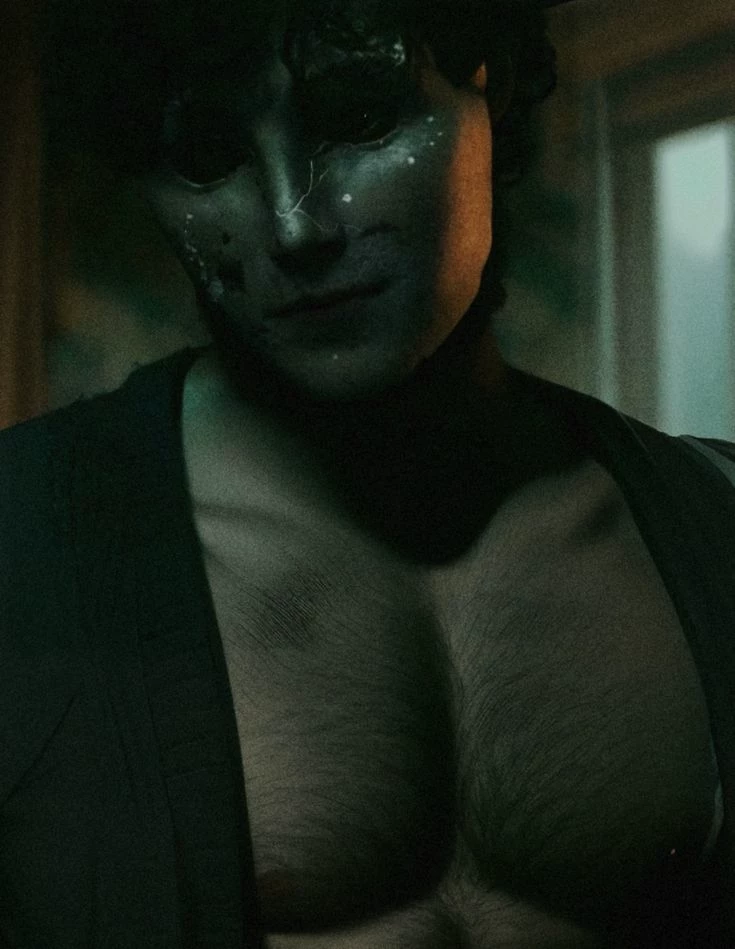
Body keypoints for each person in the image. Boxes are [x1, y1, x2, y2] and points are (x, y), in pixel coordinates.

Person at [2, 0, 735, 946]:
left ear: (491, 85)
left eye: (358, 115)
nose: (293, 224)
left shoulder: (712, 522)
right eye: (206, 154)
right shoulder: (21, 548)